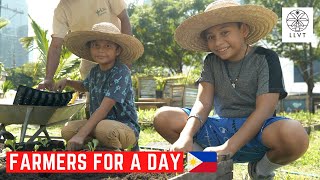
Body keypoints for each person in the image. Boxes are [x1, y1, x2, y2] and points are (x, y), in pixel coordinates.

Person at [153, 0, 309, 179]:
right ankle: (207, 165)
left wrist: (229, 147)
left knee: (295, 133)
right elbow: (203, 103)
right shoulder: (211, 62)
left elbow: (264, 110)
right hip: (220, 128)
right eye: (211, 36)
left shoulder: (265, 58)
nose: (218, 42)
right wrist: (186, 136)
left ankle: (261, 170)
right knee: (164, 117)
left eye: (225, 32)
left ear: (243, 30)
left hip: (258, 131)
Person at [54, 22, 144, 151]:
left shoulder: (121, 71)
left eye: (108, 46)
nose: (101, 50)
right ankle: (94, 152)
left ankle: (117, 157)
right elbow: (84, 86)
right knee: (68, 130)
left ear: (117, 50)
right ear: (90, 48)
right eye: (96, 45)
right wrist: (67, 81)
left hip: (124, 127)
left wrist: (81, 135)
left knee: (104, 130)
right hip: (99, 125)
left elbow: (104, 108)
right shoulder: (95, 71)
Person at [38, 0, 132, 118]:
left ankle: (122, 130)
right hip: (89, 56)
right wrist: (48, 78)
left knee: (118, 100)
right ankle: (92, 131)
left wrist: (126, 57)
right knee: (92, 102)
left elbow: (124, 18)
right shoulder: (62, 9)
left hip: (115, 52)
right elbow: (56, 45)